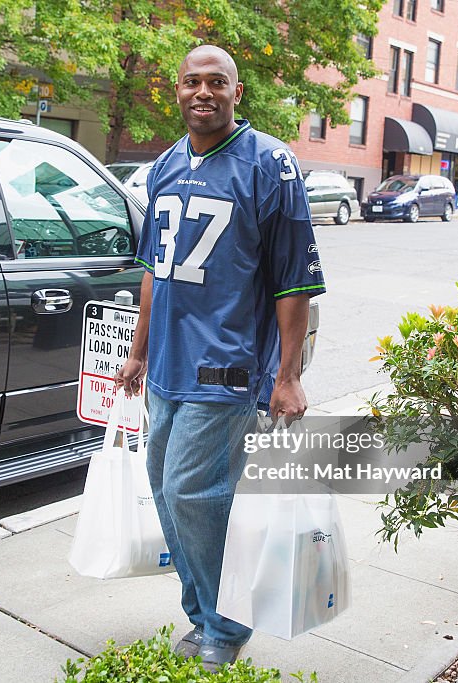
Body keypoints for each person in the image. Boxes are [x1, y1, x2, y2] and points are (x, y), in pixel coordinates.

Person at [114, 44, 325, 671]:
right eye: (190, 82)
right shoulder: (167, 164)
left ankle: (227, 624)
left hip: (228, 366)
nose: (202, 93)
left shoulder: (269, 164)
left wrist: (287, 377)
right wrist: (138, 350)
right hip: (168, 368)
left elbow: (294, 281)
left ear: (237, 93)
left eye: (216, 83)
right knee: (166, 487)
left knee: (192, 491)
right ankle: (202, 612)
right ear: (176, 91)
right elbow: (156, 269)